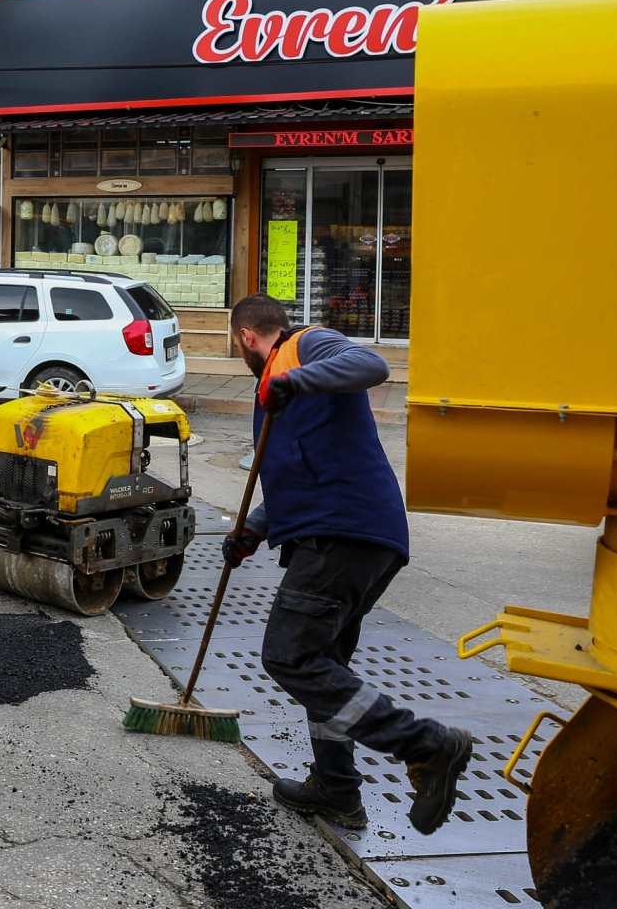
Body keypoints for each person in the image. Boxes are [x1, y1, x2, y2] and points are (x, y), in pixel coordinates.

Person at [224, 293, 471, 835]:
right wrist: (254, 530)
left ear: (245, 336)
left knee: (291, 657)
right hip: (354, 534)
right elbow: (303, 468)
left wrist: (297, 380)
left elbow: (373, 366)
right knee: (324, 669)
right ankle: (336, 789)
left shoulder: (304, 347)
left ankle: (427, 745)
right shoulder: (278, 388)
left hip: (344, 534)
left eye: (235, 342)